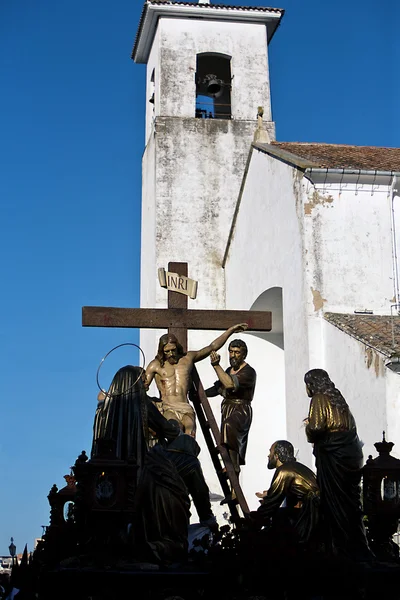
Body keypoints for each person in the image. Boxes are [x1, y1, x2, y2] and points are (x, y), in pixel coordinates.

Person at [304, 368, 373, 560]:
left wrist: (308, 427)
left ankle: (339, 549)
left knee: (334, 503)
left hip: (333, 456)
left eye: (307, 384)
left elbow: (317, 427)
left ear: (312, 384)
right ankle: (357, 545)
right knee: (350, 503)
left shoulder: (319, 398)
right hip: (350, 454)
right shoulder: (340, 402)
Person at [144, 323, 248, 437]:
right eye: (167, 351)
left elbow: (212, 347)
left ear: (177, 347)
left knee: (190, 432)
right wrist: (153, 402)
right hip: (168, 407)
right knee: (175, 428)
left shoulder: (187, 358)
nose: (171, 354)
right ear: (161, 351)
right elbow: (142, 388)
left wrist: (230, 330)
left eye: (173, 350)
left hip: (186, 407)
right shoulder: (155, 365)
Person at [91, 365, 180, 462]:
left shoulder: (103, 409)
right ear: (134, 381)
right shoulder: (142, 402)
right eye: (143, 380)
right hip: (135, 464)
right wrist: (175, 422)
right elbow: (167, 428)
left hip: (108, 464)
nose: (147, 383)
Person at [253, 440, 320, 544]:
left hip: (313, 511)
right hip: (316, 508)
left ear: (277, 455)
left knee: (279, 518)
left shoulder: (284, 470)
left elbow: (273, 502)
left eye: (270, 452)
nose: (268, 455)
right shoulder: (295, 467)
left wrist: (255, 521)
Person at [205, 339, 256, 474]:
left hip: (241, 409)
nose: (233, 355)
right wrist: (201, 394)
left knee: (229, 428)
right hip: (227, 408)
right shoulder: (228, 370)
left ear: (244, 355)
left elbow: (229, 384)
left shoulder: (249, 372)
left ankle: (234, 467)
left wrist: (216, 366)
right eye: (231, 351)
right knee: (227, 439)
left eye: (237, 352)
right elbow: (218, 388)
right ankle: (230, 467)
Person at [165, 420, 217, 530]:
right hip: (175, 505)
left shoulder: (159, 454)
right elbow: (200, 491)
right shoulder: (190, 461)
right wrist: (207, 518)